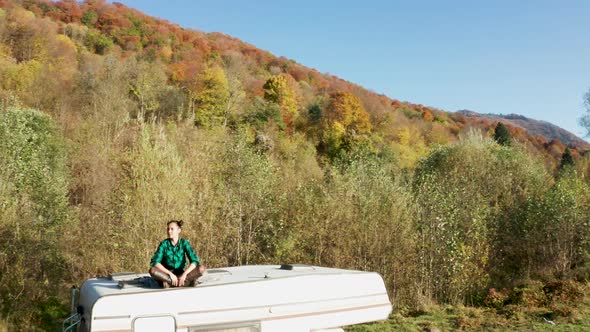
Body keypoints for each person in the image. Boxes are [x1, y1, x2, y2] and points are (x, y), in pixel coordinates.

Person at [149, 220, 206, 288]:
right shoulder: (164, 244)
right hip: (167, 275)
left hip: (181, 273)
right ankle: (185, 283)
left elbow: (194, 261)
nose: (169, 231)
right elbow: (155, 262)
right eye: (168, 229)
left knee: (201, 269)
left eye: (172, 229)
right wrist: (170, 274)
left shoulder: (184, 243)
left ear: (179, 230)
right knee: (152, 270)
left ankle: (170, 283)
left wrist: (184, 274)